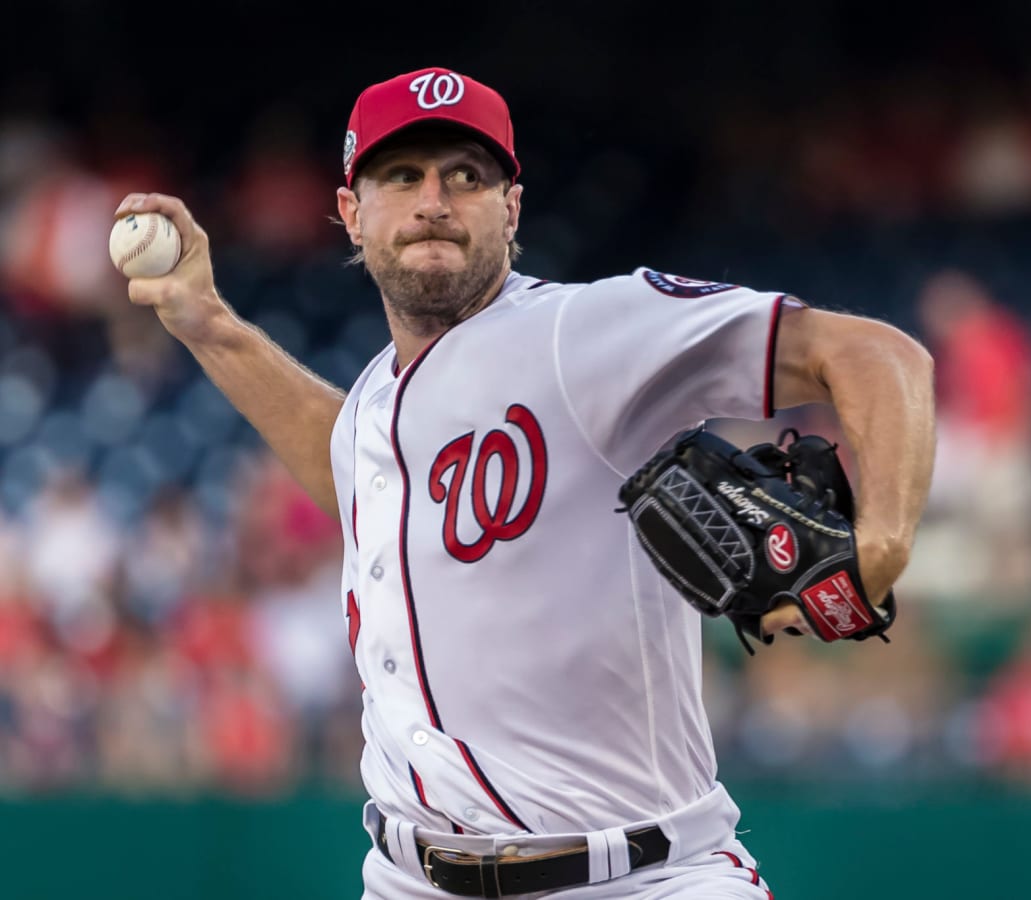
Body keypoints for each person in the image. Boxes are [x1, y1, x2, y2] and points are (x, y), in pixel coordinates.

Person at [114, 67, 936, 899]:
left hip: (642, 877)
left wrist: (883, 543)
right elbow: (369, 494)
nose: (433, 200)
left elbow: (875, 353)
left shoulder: (583, 332)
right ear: (352, 215)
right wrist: (209, 325)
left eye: (465, 177)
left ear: (511, 210)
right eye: (402, 176)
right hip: (410, 878)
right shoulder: (373, 400)